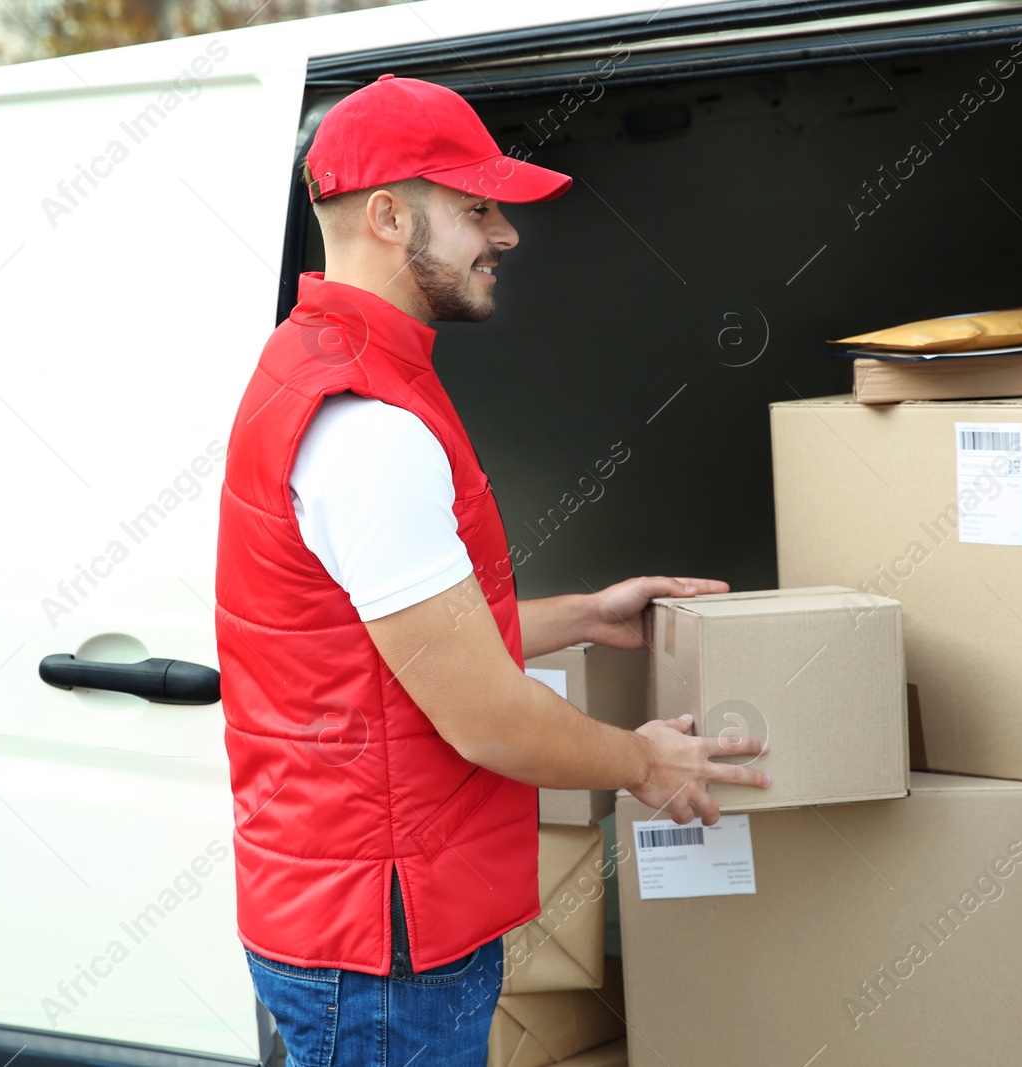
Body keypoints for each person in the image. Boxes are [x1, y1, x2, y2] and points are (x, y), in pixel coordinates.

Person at [214, 72, 770, 1067]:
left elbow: (377, 653)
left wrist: (583, 615)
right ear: (387, 215)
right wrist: (649, 761)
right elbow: (483, 714)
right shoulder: (369, 426)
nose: (504, 234)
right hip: (386, 947)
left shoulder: (314, 366)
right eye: (475, 207)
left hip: (361, 924)